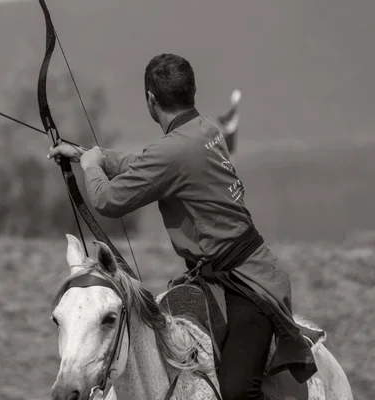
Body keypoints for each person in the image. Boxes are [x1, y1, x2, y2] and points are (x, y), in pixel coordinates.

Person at [48, 53, 317, 400]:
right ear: (192, 92)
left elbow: (106, 201)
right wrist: (90, 153)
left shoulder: (174, 151)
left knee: (237, 392)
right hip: (219, 279)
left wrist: (91, 166)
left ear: (150, 99)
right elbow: (146, 164)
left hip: (249, 284)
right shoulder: (204, 129)